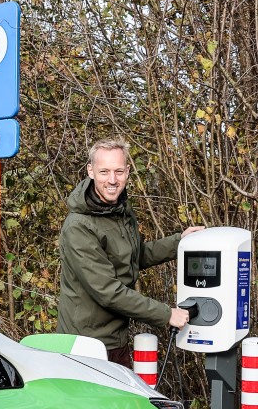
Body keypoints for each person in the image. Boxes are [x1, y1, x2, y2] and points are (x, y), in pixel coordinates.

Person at [58, 137, 203, 368]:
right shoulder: (79, 226)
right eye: (104, 171)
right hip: (85, 345)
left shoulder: (120, 210)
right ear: (91, 171)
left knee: (120, 404)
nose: (112, 180)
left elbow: (133, 257)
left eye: (118, 171)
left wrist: (180, 242)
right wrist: (167, 314)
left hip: (115, 339)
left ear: (127, 171)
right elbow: (107, 291)